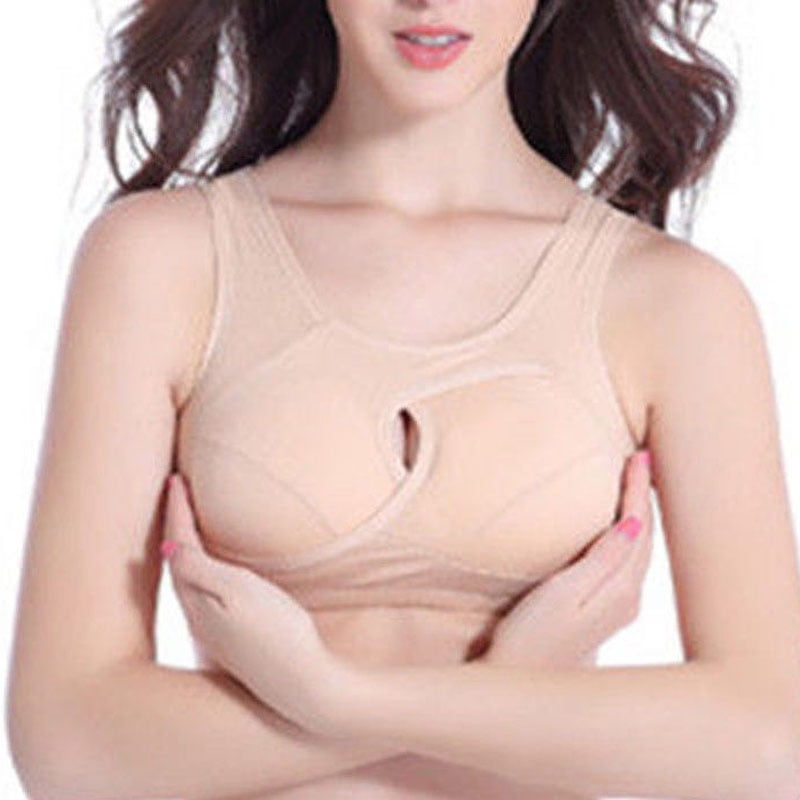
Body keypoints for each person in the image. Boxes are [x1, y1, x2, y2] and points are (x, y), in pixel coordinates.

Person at [7, 1, 800, 799]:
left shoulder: (673, 300)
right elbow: (66, 747)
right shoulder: (163, 260)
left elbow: (771, 743)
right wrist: (502, 690)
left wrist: (334, 697)